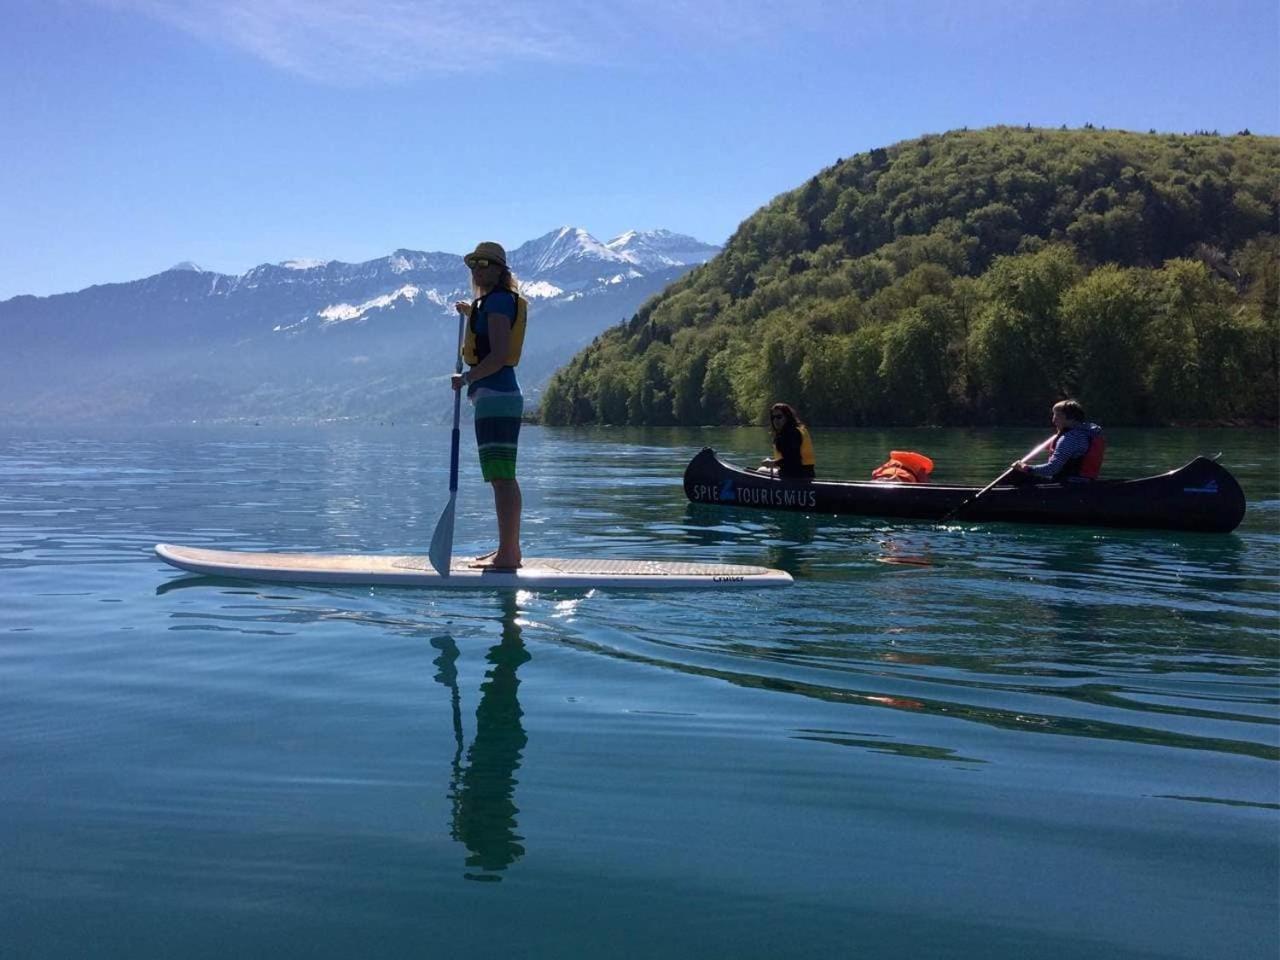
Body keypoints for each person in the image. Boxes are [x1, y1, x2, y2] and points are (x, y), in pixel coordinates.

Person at [453, 242, 526, 569]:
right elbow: (490, 334)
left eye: (484, 264)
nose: (477, 270)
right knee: (500, 476)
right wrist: (472, 313)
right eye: (473, 265)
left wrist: (467, 379)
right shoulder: (491, 303)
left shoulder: (497, 302)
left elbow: (497, 356)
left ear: (499, 269)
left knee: (502, 477)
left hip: (497, 397)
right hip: (497, 398)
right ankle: (508, 549)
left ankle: (509, 554)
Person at [1011, 399, 1105, 483]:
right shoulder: (1088, 432)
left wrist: (1026, 468)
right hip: (1086, 482)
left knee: (1018, 476)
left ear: (1070, 418)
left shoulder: (1070, 438)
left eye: (1057, 416)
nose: (1053, 420)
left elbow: (1052, 469)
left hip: (1069, 485)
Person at [760, 402, 816, 479]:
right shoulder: (798, 429)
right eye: (773, 417)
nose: (775, 420)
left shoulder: (790, 434)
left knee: (761, 470)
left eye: (779, 417)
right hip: (808, 474)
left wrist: (771, 463)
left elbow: (793, 460)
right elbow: (790, 457)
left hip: (796, 476)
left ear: (787, 417)